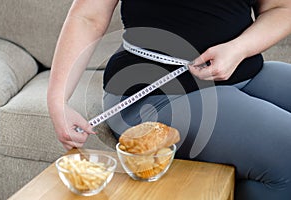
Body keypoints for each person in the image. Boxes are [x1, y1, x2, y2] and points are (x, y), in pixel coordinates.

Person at [47, 0, 291, 199]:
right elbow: (87, 17)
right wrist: (57, 100)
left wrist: (239, 48)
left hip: (246, 72)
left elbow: (281, 8)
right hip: (157, 94)